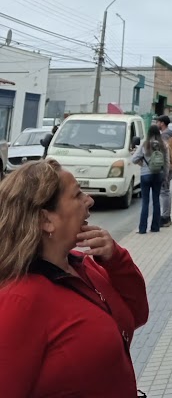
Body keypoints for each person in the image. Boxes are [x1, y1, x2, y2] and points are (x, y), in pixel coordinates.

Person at [0, 159, 148, 398]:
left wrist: (116, 259)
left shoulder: (83, 265)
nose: (89, 200)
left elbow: (136, 315)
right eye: (78, 195)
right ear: (46, 220)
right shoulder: (19, 300)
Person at [131, 124, 168, 234]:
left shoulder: (145, 144)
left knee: (145, 202)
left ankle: (142, 229)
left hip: (146, 175)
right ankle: (155, 227)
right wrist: (165, 177)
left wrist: (142, 163)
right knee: (156, 200)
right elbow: (167, 162)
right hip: (159, 175)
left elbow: (133, 159)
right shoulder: (163, 145)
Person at [156, 114, 172, 228]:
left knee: (164, 192)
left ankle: (165, 218)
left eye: (158, 122)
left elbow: (167, 153)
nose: (156, 124)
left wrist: (165, 169)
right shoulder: (171, 135)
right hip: (171, 166)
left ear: (162, 123)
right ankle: (167, 217)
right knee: (166, 191)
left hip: (167, 168)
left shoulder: (165, 136)